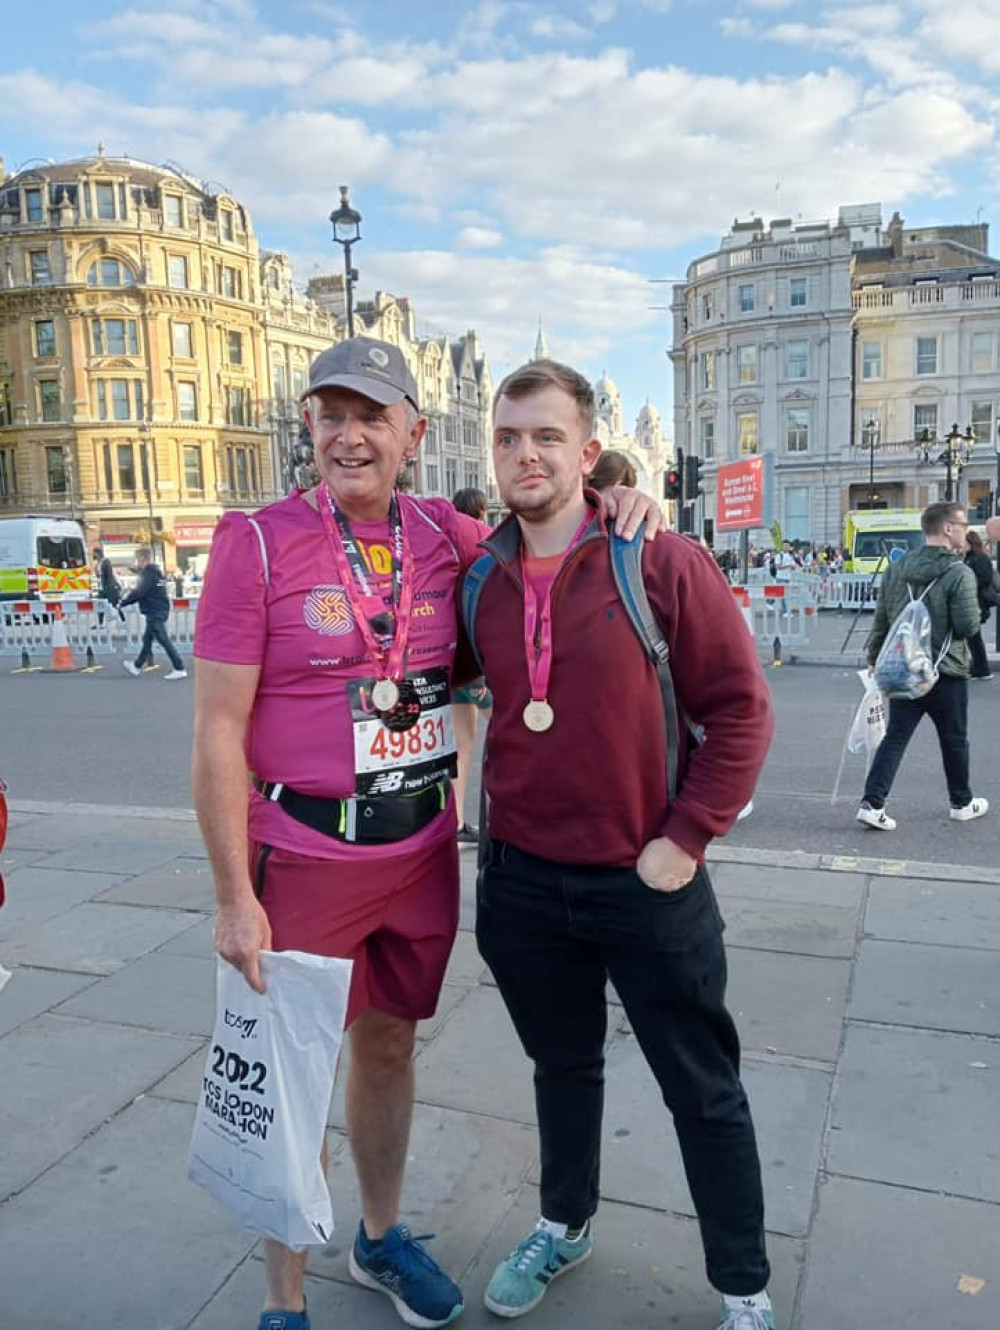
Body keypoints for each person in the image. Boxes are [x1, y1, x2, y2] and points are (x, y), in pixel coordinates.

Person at [191, 338, 660, 1330]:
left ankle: (380, 1236)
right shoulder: (258, 541)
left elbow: (551, 532)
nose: (349, 435)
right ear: (310, 427)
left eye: (371, 415)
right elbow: (218, 729)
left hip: (416, 853)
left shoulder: (449, 535)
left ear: (414, 431)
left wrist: (625, 504)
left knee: (390, 1047)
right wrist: (234, 894)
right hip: (304, 855)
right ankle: (283, 1297)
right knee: (292, 1074)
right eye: (330, 414)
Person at [464, 360, 777, 1330]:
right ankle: (564, 1222)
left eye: (546, 436)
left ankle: (742, 1284)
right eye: (510, 437)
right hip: (521, 883)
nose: (526, 454)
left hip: (646, 880)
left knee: (701, 1087)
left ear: (586, 453)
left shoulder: (659, 558)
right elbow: (426, 680)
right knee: (562, 1067)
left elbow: (741, 712)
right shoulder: (478, 573)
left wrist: (684, 839)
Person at [856, 501, 986, 831]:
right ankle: (961, 802)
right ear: (946, 529)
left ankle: (873, 803)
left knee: (895, 737)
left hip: (904, 669)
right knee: (954, 738)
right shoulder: (959, 573)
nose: (965, 530)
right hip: (946, 670)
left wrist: (874, 658)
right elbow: (968, 626)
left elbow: (882, 619)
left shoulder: (897, 569)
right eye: (961, 524)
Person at [450, 487, 492, 844]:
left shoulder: (445, 541)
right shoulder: (483, 539)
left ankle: (457, 819)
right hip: (477, 661)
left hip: (449, 660)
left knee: (459, 745)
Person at [120, 547, 186, 679]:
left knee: (163, 639)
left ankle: (179, 667)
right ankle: (137, 665)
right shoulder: (156, 572)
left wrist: (123, 602)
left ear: (142, 559)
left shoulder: (147, 574)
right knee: (148, 640)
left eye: (137, 560)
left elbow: (139, 592)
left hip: (154, 610)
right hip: (160, 607)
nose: (136, 563)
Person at [964, 528, 994, 680]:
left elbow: (984, 578)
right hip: (974, 600)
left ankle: (982, 668)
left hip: (978, 601)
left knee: (974, 637)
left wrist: (971, 584)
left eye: (964, 543)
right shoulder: (970, 558)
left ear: (970, 543)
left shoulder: (978, 558)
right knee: (973, 637)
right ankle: (979, 667)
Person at [93, 545, 124, 624]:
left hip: (110, 587)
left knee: (115, 604)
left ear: (99, 553)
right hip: (102, 587)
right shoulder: (98, 563)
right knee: (100, 604)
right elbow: (99, 575)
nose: (94, 555)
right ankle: (100, 623)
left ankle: (123, 619)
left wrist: (109, 587)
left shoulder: (106, 561)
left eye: (95, 553)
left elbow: (109, 575)